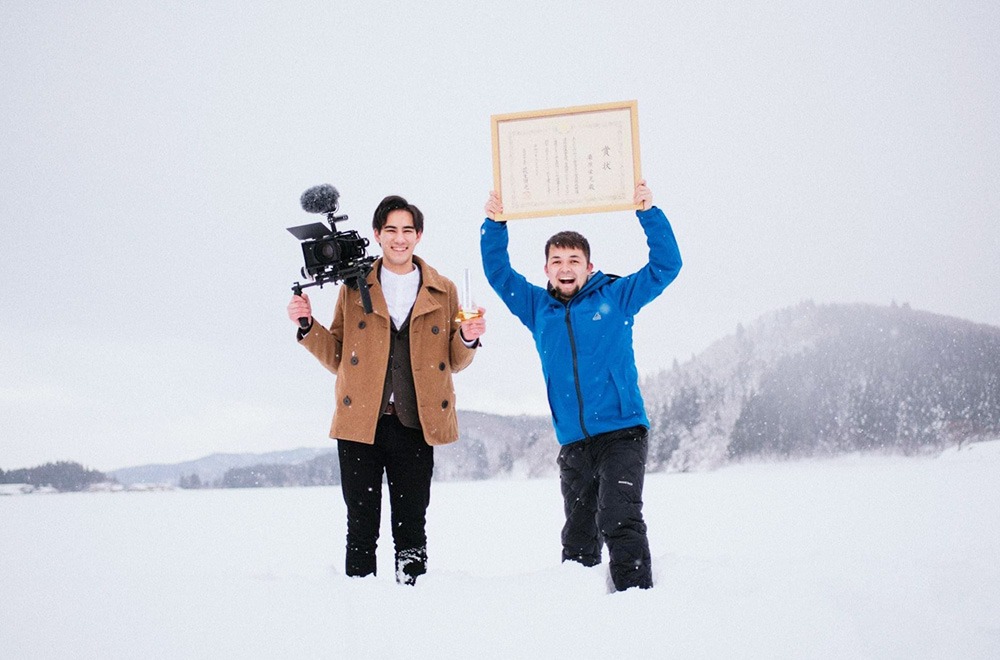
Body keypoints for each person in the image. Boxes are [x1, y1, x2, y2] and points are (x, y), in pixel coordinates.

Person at [480, 180, 681, 591]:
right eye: (557, 260)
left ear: (589, 266)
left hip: (622, 432)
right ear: (547, 269)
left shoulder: (616, 296)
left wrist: (648, 213)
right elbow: (498, 274)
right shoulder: (538, 308)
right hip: (573, 441)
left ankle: (637, 603)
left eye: (574, 259)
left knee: (618, 517)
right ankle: (579, 613)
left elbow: (666, 266)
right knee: (578, 534)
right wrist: (494, 224)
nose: (566, 267)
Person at [288, 194, 486, 585]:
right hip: (361, 422)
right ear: (377, 235)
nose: (400, 238)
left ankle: (412, 610)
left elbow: (454, 361)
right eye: (391, 230)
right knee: (361, 528)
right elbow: (338, 357)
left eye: (407, 230)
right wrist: (308, 326)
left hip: (416, 423)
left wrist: (466, 337)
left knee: (411, 527)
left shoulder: (443, 289)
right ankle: (361, 614)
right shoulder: (353, 286)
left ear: (419, 235)